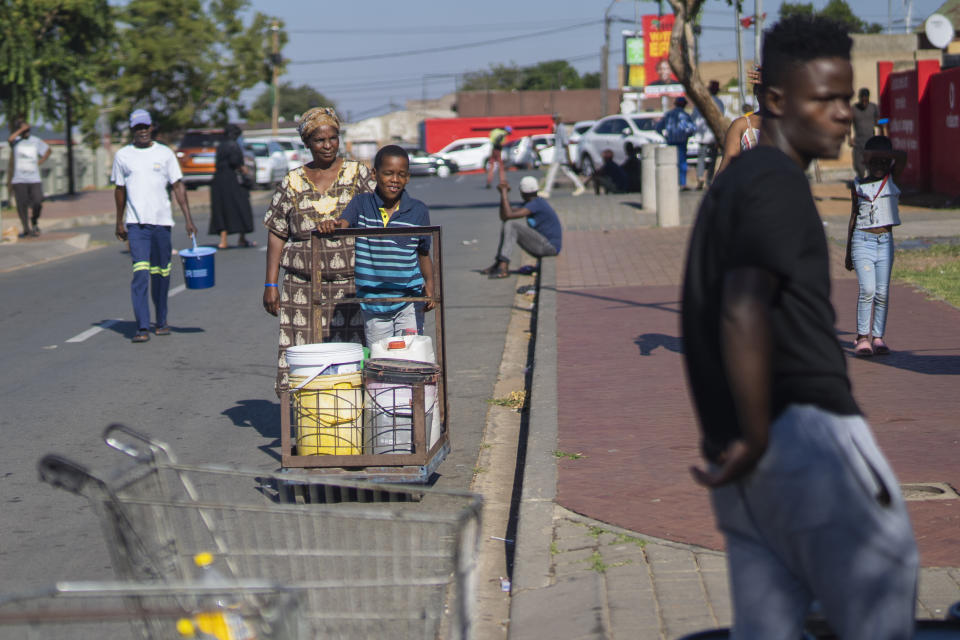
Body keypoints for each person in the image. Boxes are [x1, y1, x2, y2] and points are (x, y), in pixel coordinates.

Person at [681, 15, 917, 640]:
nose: (842, 114)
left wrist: (740, 437)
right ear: (778, 100)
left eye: (846, 97)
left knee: (771, 626)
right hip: (803, 434)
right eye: (824, 98)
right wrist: (758, 437)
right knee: (885, 589)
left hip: (741, 448)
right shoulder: (775, 184)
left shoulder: (736, 186)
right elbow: (741, 304)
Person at [262, 107, 374, 394]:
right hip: (301, 287)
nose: (327, 145)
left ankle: (349, 424)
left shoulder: (358, 174)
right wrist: (271, 284)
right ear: (307, 144)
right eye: (319, 140)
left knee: (350, 360)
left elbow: (379, 217)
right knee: (303, 360)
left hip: (350, 286)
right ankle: (306, 424)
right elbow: (277, 233)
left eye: (333, 138)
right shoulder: (291, 181)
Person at [318, 145, 435, 346]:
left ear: (408, 177)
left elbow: (423, 253)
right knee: (381, 360)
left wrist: (431, 286)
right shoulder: (361, 204)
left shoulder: (418, 210)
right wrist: (333, 225)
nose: (395, 180)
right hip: (373, 304)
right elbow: (342, 224)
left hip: (408, 300)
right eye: (388, 174)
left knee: (409, 358)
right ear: (374, 174)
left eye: (401, 175)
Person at [112, 109, 198, 343]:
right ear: (132, 130)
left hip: (162, 224)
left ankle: (161, 320)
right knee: (140, 273)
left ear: (151, 128)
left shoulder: (165, 154)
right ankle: (142, 327)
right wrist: (119, 222)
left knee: (161, 274)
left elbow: (178, 186)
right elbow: (119, 190)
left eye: (145, 127)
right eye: (137, 128)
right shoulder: (123, 156)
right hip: (137, 225)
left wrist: (188, 219)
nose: (142, 131)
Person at [845, 135, 906, 357]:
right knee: (867, 290)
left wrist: (883, 155)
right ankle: (862, 337)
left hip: (885, 243)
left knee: (882, 292)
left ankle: (878, 337)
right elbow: (853, 217)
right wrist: (848, 253)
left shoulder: (893, 178)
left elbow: (902, 157)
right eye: (874, 160)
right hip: (862, 241)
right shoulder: (857, 185)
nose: (879, 165)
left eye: (883, 161)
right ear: (866, 161)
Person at [481, 175, 562, 279]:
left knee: (511, 225)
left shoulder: (537, 203)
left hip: (550, 248)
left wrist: (504, 193)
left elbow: (508, 215)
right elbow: (505, 216)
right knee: (508, 223)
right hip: (544, 245)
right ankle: (499, 262)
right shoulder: (531, 203)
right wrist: (503, 195)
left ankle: (503, 265)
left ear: (522, 192)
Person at [209, 124, 255, 248]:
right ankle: (242, 238)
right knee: (241, 207)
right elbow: (236, 163)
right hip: (232, 181)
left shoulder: (220, 146)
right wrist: (246, 172)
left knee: (222, 209)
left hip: (218, 181)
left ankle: (223, 240)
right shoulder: (234, 146)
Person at [8, 119, 51, 237]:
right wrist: (21, 129)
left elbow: (48, 150)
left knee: (38, 201)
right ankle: (26, 229)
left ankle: (34, 220)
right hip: (19, 180)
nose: (26, 131)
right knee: (22, 205)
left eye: (27, 129)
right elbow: (10, 139)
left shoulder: (35, 141)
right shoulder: (16, 142)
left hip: (34, 179)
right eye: (24, 129)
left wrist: (41, 161)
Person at [716, 68, 763, 175]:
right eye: (762, 89)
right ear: (756, 93)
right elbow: (726, 167)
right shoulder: (742, 125)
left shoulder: (789, 124)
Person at [656, 96, 696, 188]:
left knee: (671, 163)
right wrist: (688, 135)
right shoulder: (684, 115)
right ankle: (682, 183)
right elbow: (691, 128)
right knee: (682, 163)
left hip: (670, 142)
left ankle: (671, 182)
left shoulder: (669, 114)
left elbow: (658, 128)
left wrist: (665, 136)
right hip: (681, 142)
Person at [541, 114, 585, 198]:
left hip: (560, 155)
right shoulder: (557, 128)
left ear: (559, 119)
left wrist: (569, 158)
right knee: (566, 172)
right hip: (558, 155)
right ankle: (580, 186)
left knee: (552, 172)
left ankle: (547, 191)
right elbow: (556, 142)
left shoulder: (561, 128)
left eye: (555, 119)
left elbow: (566, 143)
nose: (554, 121)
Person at [691, 80, 725, 189]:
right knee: (712, 159)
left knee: (701, 158)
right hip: (713, 136)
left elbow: (694, 118)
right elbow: (721, 119)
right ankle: (708, 180)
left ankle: (700, 177)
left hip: (702, 136)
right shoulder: (719, 102)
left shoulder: (700, 102)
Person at [849, 87, 882, 179]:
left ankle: (869, 185)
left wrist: (883, 125)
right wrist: (850, 138)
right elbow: (848, 124)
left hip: (871, 143)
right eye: (862, 100)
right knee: (858, 167)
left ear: (868, 98)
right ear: (859, 98)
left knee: (872, 166)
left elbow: (877, 122)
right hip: (858, 143)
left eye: (866, 100)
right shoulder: (854, 109)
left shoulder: (873, 107)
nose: (864, 103)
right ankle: (861, 178)